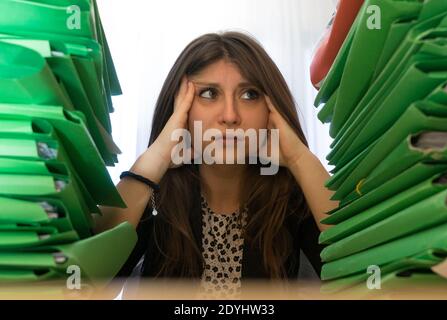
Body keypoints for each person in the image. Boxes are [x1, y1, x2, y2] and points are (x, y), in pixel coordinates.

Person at [94, 31, 338, 298]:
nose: (230, 116)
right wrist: (155, 158)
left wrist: (299, 158)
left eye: (250, 94)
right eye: (209, 93)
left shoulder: (295, 207)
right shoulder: (153, 204)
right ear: (181, 111)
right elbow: (87, 280)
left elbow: (364, 271)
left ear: (271, 111)